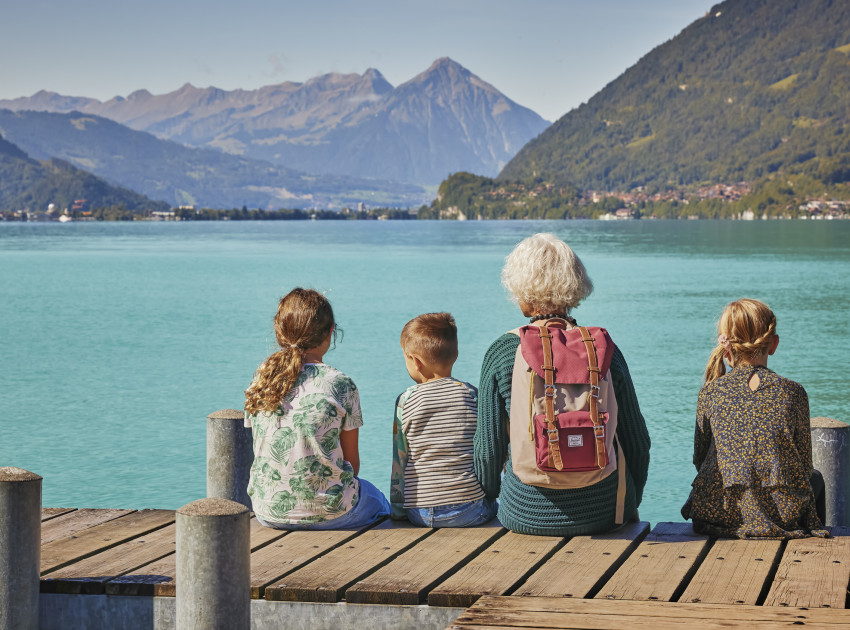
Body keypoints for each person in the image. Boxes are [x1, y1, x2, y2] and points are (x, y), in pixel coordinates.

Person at [475, 233, 651, 536]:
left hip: (524, 512)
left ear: (523, 293)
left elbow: (488, 450)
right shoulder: (602, 348)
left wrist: (489, 497)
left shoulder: (503, 351)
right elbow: (638, 441)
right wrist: (629, 501)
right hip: (606, 510)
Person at [681, 298, 828, 538]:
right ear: (773, 344)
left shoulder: (710, 391)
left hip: (717, 512)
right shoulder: (793, 392)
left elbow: (700, 459)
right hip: (781, 515)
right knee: (816, 479)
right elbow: (803, 466)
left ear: (725, 345)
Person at [243, 288, 389, 530]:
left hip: (267, 511)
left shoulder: (262, 380)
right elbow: (352, 464)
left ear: (279, 332)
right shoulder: (340, 384)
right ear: (331, 332)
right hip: (331, 514)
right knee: (378, 499)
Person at [390, 313, 497, 527]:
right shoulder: (472, 395)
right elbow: (485, 452)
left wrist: (399, 510)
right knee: (493, 506)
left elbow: (399, 461)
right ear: (455, 354)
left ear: (416, 362)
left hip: (419, 512)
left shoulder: (406, 400)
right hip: (469, 510)